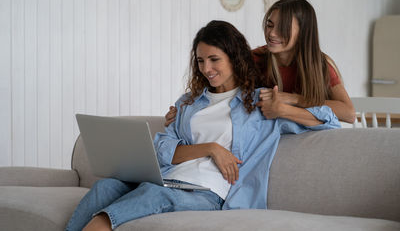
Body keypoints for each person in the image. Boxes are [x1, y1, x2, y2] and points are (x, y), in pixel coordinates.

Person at [65, 20, 340, 231]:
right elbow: (163, 149)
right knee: (105, 187)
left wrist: (284, 106)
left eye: (214, 59)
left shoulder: (258, 104)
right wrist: (210, 149)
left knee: (148, 194)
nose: (206, 68)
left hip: (206, 194)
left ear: (234, 57)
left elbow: (329, 120)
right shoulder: (189, 103)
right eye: (200, 60)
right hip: (168, 179)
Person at [164, 0, 355, 127]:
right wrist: (183, 113)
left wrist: (292, 99)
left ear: (303, 31)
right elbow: (214, 89)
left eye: (282, 28)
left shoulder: (320, 65)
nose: (271, 33)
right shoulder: (254, 59)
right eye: (270, 25)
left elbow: (348, 113)